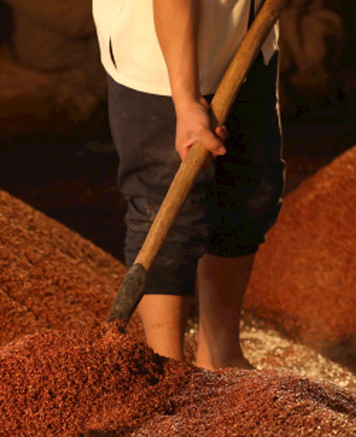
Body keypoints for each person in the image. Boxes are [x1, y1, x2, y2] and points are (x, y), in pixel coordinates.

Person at [93, 0, 284, 369]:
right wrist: (186, 99)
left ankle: (221, 355)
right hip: (161, 59)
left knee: (248, 195)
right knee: (166, 211)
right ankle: (169, 371)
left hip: (247, 33)